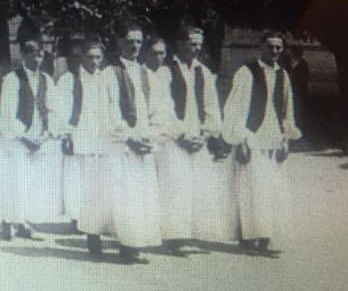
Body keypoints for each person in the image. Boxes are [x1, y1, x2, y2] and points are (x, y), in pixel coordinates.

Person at [222, 31, 301, 256]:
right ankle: (249, 238)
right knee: (252, 190)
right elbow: (235, 109)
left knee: (272, 190)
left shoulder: (283, 75)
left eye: (278, 47)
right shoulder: (246, 73)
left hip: (274, 138)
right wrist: (241, 140)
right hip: (252, 137)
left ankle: (266, 236)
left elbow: (287, 110)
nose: (274, 51)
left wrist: (286, 139)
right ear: (261, 47)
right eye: (270, 47)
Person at [92, 21, 165, 264]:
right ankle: (116, 241)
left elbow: (157, 111)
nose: (134, 46)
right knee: (118, 195)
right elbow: (108, 114)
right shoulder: (108, 75)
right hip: (119, 146)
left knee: (140, 196)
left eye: (138, 41)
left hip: (142, 145)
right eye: (129, 41)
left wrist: (150, 136)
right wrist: (128, 137)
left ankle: (133, 242)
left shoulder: (148, 75)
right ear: (119, 42)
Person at [155, 26, 227, 255]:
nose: (196, 48)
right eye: (192, 43)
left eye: (199, 44)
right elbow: (163, 108)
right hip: (175, 139)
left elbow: (212, 107)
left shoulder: (203, 72)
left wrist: (205, 135)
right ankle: (174, 237)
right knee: (176, 186)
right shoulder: (165, 72)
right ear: (180, 43)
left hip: (198, 138)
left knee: (198, 186)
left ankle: (191, 233)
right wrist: (180, 135)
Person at [0, 39, 60, 240]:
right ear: (23, 55)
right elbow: (8, 113)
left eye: (40, 53)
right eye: (32, 53)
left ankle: (23, 221)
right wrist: (24, 138)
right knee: (16, 181)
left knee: (33, 183)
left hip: (39, 137)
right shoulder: (12, 79)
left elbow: (52, 109)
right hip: (18, 139)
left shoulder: (46, 79)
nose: (37, 57)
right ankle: (8, 221)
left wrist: (47, 133)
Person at [56, 40, 105, 238]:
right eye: (90, 57)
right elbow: (62, 109)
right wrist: (66, 134)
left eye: (98, 57)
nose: (94, 61)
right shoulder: (69, 79)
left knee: (97, 181)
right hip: (79, 135)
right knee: (76, 179)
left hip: (99, 136)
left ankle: (96, 219)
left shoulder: (105, 78)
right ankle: (76, 218)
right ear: (82, 57)